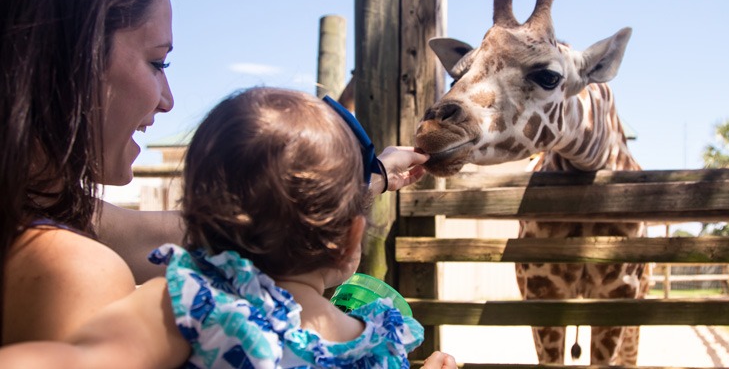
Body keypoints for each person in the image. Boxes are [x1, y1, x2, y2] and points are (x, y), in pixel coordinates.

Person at [0, 0, 454, 368]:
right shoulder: (72, 271)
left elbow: (236, 229)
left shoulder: (45, 215)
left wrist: (370, 179)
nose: (169, 99)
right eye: (158, 62)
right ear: (62, 57)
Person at [0, 87, 456, 369]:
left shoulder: (199, 310)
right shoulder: (381, 343)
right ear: (353, 236)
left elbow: (76, 361)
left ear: (194, 221)